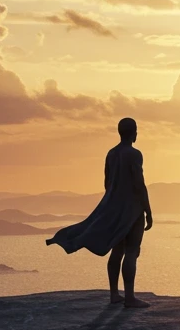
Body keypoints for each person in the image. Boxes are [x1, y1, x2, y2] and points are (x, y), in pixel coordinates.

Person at [46, 117, 154, 307]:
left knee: (117, 250)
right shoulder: (134, 154)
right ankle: (129, 297)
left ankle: (114, 294)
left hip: (113, 207)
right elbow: (139, 183)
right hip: (132, 209)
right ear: (134, 132)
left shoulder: (111, 154)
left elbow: (107, 183)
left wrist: (113, 204)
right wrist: (148, 210)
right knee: (131, 251)